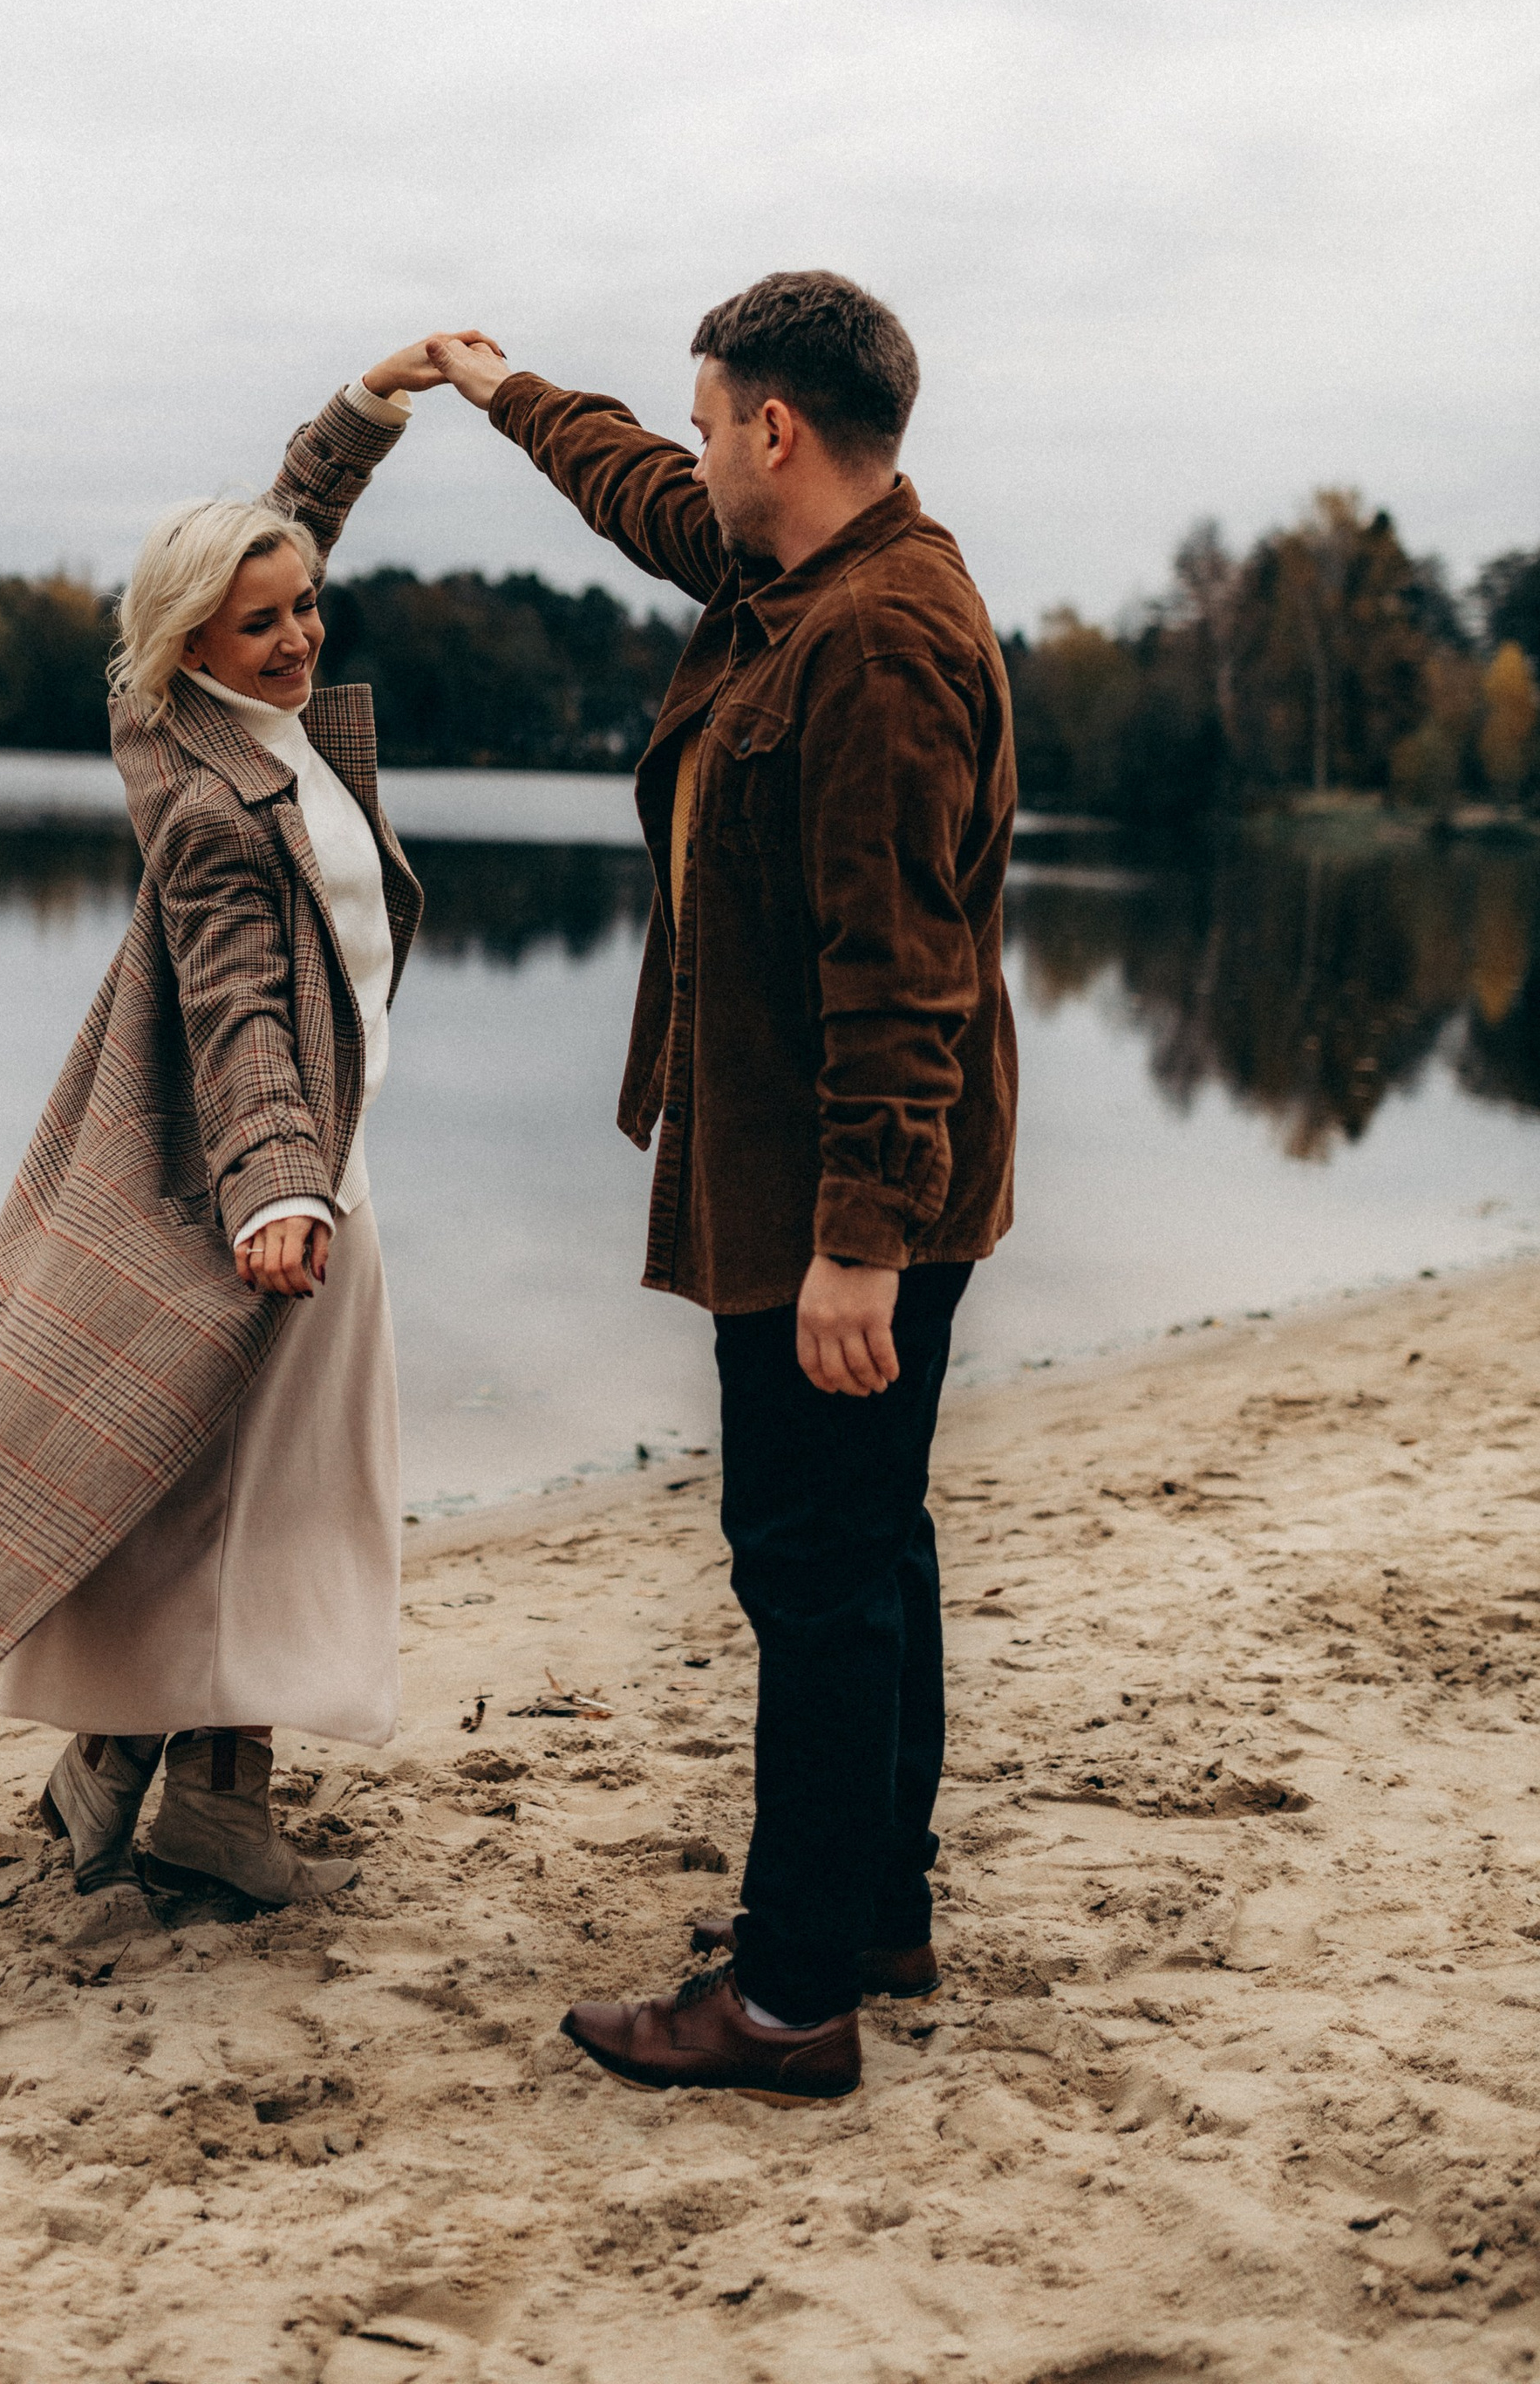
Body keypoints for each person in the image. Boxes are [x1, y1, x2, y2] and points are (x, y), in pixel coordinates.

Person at [427, 272, 1017, 2101]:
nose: (690, 451)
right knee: (867, 1546)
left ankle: (781, 2000)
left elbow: (897, 976)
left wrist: (855, 1245)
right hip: (845, 1179)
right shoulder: (795, 578)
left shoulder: (878, 643)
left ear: (774, 427)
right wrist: (502, 389)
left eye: (706, 420)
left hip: (843, 1191)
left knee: (811, 1567)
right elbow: (635, 493)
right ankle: (869, 1916)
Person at [0, 338, 486, 1906]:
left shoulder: (231, 705)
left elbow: (281, 519)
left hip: (320, 1176)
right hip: (272, 1191)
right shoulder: (208, 799)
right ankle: (176, 1791)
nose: (298, 636)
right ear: (193, 643)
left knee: (248, 1491)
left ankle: (139, 1775)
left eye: (305, 608)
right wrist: (277, 1188)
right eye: (264, 621)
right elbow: (236, 1009)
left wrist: (370, 409)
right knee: (240, 1496)